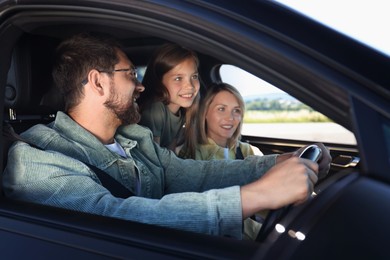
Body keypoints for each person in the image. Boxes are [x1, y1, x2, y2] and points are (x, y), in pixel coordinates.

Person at [2, 33, 331, 240]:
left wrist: (278, 164)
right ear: (98, 82)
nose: (142, 86)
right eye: (132, 74)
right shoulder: (36, 160)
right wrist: (253, 198)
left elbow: (195, 174)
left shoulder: (136, 139)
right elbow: (119, 220)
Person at [138, 43, 200, 151]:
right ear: (159, 82)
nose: (190, 86)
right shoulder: (155, 110)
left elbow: (171, 155)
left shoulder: (180, 111)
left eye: (194, 76)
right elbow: (153, 158)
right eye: (178, 78)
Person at [178, 82, 263, 160]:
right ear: (205, 113)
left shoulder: (248, 151)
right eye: (221, 109)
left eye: (236, 110)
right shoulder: (193, 154)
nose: (230, 118)